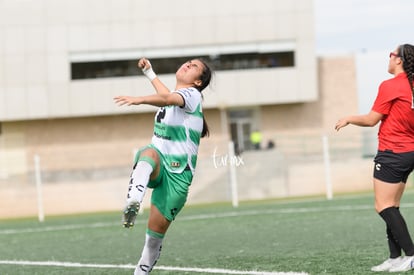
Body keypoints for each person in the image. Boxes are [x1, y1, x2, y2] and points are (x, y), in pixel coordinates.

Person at [114, 57, 212, 274]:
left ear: (198, 82)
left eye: (194, 66)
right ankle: (134, 199)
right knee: (147, 153)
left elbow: (167, 97)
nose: (187, 64)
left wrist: (138, 99)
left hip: (177, 178)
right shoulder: (176, 99)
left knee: (152, 241)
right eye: (188, 62)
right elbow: (167, 96)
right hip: (159, 162)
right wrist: (149, 72)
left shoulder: (193, 96)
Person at [335, 44, 414, 273]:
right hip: (408, 153)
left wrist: (349, 117)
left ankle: (410, 254)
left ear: (399, 60)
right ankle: (395, 257)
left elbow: (371, 120)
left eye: (391, 55)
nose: (388, 58)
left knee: (383, 206)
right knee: (393, 206)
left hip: (392, 152)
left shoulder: (390, 85)